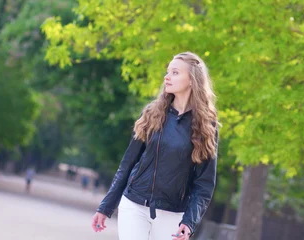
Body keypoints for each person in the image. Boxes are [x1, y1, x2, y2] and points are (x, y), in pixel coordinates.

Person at [91, 52, 219, 240]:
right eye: (167, 72)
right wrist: (106, 207)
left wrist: (189, 222)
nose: (167, 77)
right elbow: (127, 164)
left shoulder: (207, 126)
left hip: (173, 212)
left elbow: (204, 183)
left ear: (192, 79)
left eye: (175, 72)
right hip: (134, 204)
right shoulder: (153, 114)